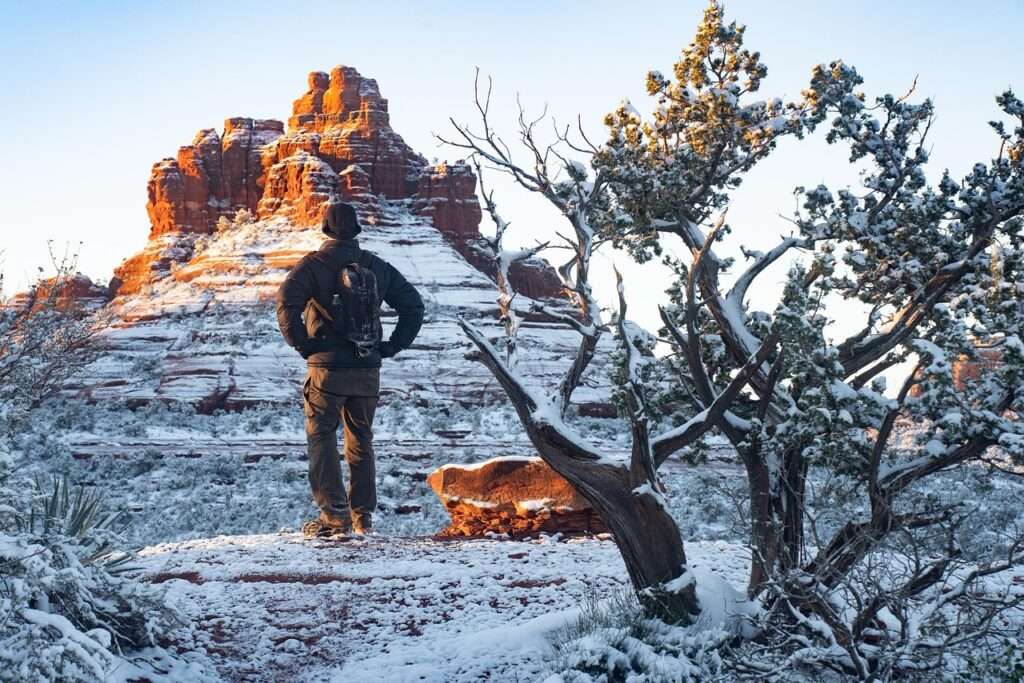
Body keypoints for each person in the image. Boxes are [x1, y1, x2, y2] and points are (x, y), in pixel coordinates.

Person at [276, 203, 424, 536]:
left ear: (325, 230)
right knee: (361, 441)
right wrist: (389, 347)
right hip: (367, 369)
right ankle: (363, 519)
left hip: (327, 370)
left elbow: (287, 305)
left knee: (322, 438)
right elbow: (414, 307)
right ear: (356, 230)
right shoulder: (377, 266)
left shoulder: (312, 266)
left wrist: (304, 345)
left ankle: (334, 517)